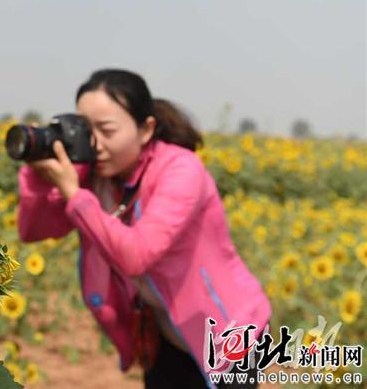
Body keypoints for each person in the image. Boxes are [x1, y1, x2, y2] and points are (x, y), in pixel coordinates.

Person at [17, 69, 271, 389]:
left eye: (106, 130)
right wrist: (38, 179)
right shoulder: (97, 175)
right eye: (85, 129)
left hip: (226, 329)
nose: (94, 144)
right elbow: (34, 230)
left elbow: (138, 255)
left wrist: (75, 196)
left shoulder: (181, 169)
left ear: (145, 129)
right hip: (164, 332)